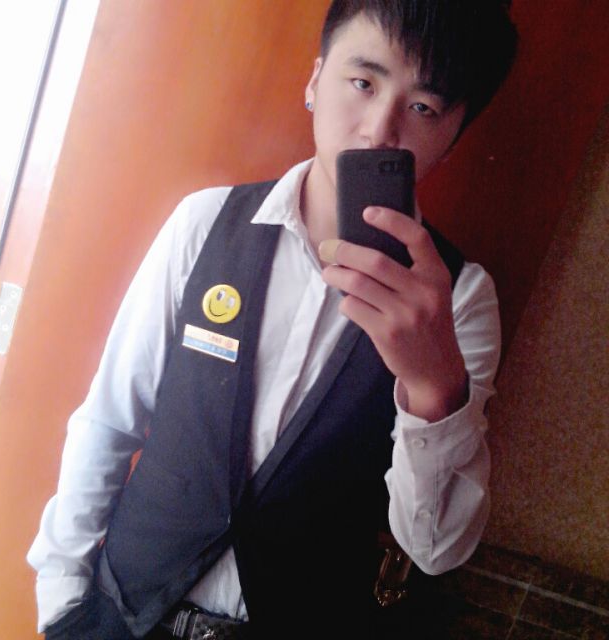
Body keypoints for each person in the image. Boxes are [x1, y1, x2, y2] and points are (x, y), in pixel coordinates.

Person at [28, 1, 518, 638]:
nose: (379, 129)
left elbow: (435, 550)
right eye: (362, 82)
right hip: (120, 613)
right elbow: (111, 417)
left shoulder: (460, 298)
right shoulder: (206, 223)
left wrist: (433, 391)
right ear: (315, 80)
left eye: (423, 108)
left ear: (453, 137)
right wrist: (63, 599)